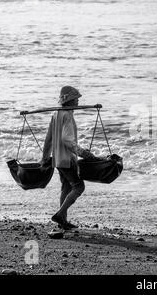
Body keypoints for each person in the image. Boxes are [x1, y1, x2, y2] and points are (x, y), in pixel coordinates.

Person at [41, 86, 95, 230]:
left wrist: (45, 156)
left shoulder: (56, 114)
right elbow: (67, 140)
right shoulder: (67, 115)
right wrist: (82, 152)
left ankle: (62, 221)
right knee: (79, 186)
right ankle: (60, 214)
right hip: (67, 159)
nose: (78, 101)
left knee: (66, 187)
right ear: (70, 101)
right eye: (76, 99)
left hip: (57, 158)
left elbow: (48, 138)